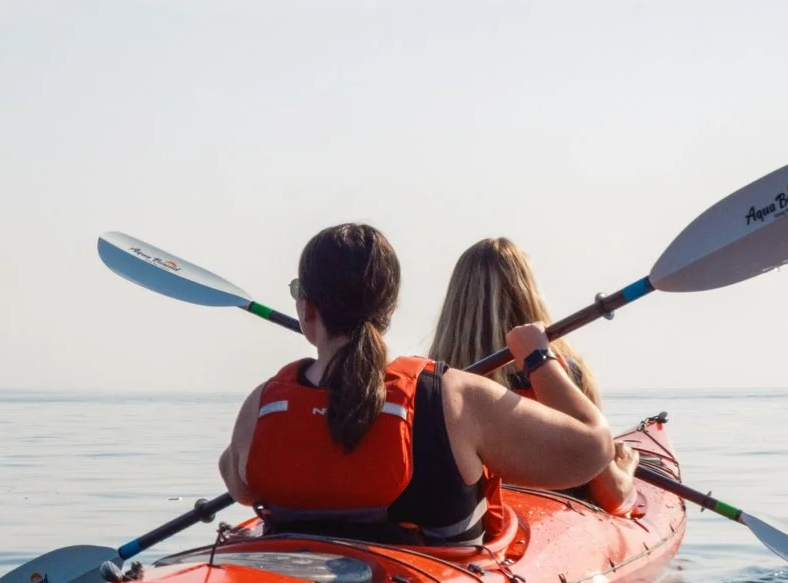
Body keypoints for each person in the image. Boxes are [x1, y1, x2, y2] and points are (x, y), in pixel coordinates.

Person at [218, 223, 615, 545]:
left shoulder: (263, 404)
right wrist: (538, 359)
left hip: (290, 577)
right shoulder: (452, 396)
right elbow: (593, 450)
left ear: (306, 309)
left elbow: (240, 487)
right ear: (390, 309)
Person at [427, 237, 638, 511]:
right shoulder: (558, 372)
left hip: (477, 523)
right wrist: (627, 466)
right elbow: (613, 495)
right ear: (528, 293)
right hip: (550, 522)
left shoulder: (432, 383)